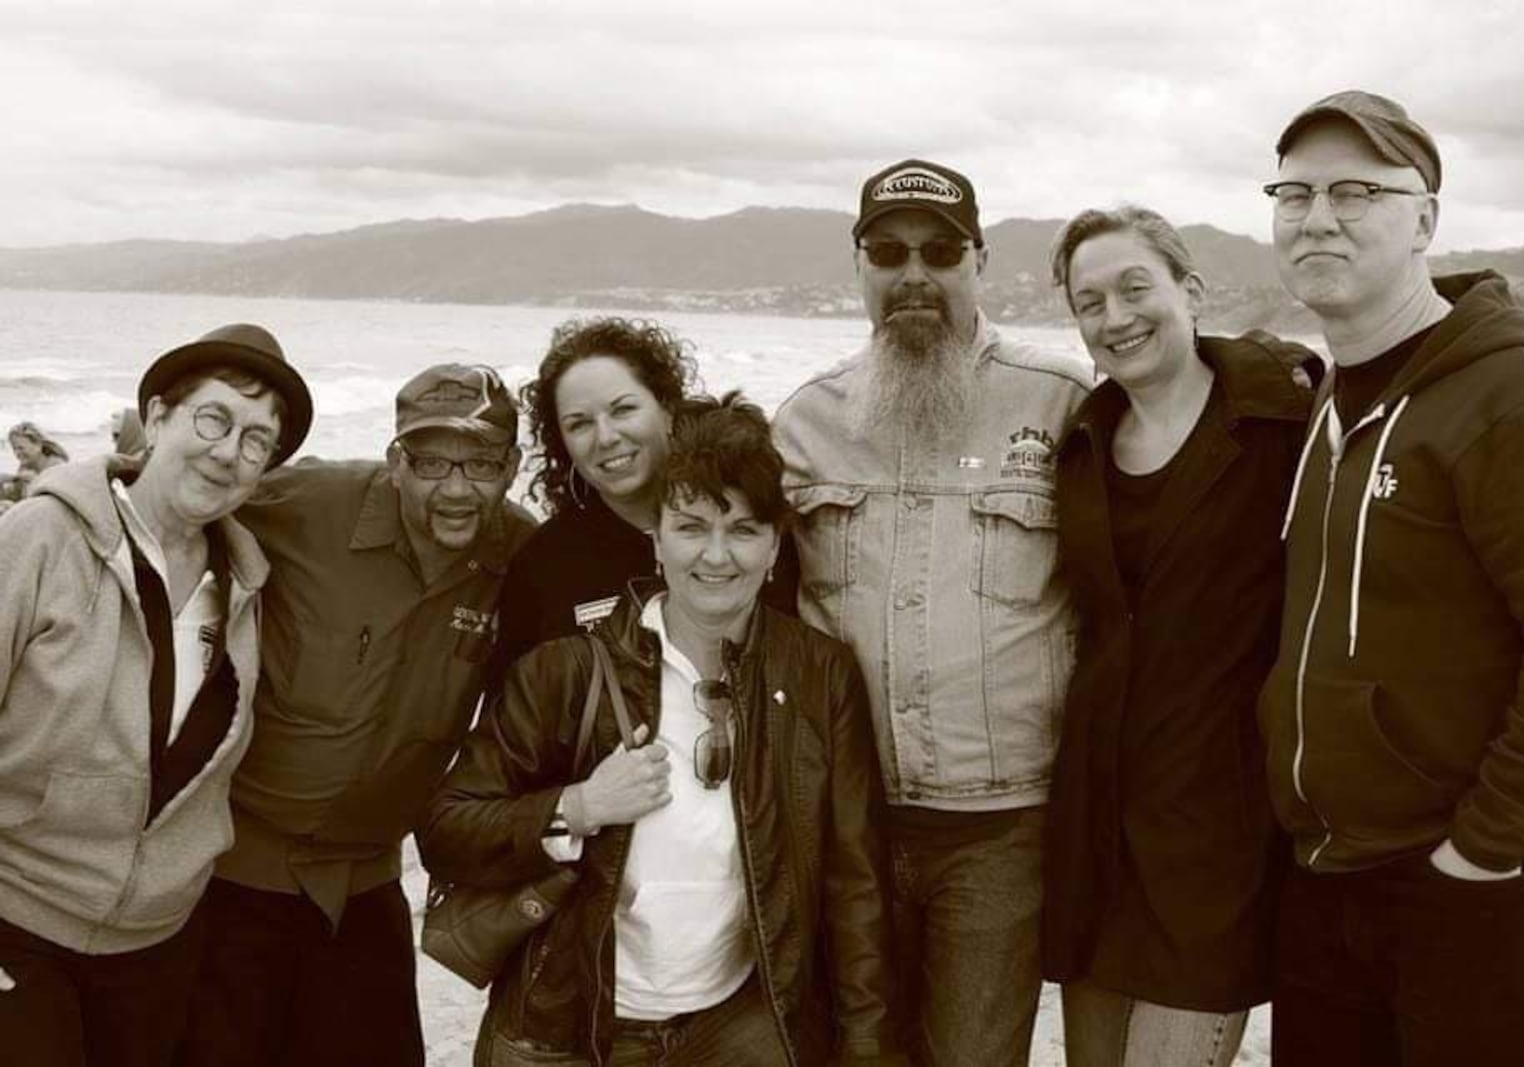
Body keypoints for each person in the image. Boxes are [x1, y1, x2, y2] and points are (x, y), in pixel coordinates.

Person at [1259, 90, 1524, 1066]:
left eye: (1355, 191)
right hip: (1326, 875)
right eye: (1294, 193)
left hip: (1469, 881)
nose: (1317, 216)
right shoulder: (1328, 398)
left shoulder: (1514, 397)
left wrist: (1485, 848)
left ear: (1424, 219)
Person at [421, 393, 901, 1066]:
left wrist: (867, 1048)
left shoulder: (819, 674)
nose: (715, 555)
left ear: (774, 546)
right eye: (692, 526)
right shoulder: (566, 672)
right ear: (656, 536)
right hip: (565, 1021)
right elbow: (446, 828)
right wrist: (575, 806)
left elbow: (855, 886)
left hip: (736, 1028)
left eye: (742, 529)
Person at [771, 159, 1092, 1066]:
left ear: (979, 261)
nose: (914, 273)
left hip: (1002, 827)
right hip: (847, 824)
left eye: (941, 251)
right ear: (861, 267)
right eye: (888, 251)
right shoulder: (803, 421)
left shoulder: (1063, 404)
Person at [178, 363, 535, 1067]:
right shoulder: (307, 503)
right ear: (395, 459)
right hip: (235, 877)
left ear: (513, 466)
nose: (457, 488)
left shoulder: (520, 553)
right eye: (431, 462)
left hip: (368, 887)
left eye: (483, 462)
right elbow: (169, 496)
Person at [1040, 206, 1317, 1065]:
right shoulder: (1081, 443)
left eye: (1134, 288)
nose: (1115, 317)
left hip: (1214, 837)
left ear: (1189, 290)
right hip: (1097, 832)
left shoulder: (1284, 421)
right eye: (1090, 302)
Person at [0, 323, 313, 1066]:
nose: (228, 450)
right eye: (214, 418)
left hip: (158, 943)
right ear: (158, 415)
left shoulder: (243, 583)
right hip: (17, 920)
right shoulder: (41, 537)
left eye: (256, 441)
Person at [493, 316, 697, 677]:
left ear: (666, 409)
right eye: (579, 423)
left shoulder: (745, 529)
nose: (605, 437)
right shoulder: (543, 566)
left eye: (623, 410)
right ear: (562, 443)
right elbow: (512, 718)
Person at [7, 420, 70, 491]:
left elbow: (61, 495)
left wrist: (36, 480)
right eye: (14, 449)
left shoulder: (57, 466)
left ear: (38, 445)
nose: (17, 453)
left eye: (21, 448)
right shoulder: (25, 466)